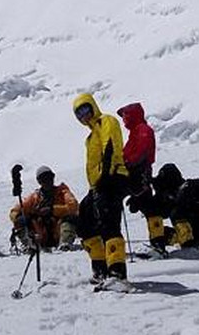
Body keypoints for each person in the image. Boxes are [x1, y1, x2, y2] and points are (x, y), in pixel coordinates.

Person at [72, 93, 131, 290]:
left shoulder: (106, 121)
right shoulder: (89, 137)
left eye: (85, 109)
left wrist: (106, 174)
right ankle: (101, 270)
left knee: (109, 225)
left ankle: (118, 274)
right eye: (78, 113)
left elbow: (111, 146)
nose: (83, 115)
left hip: (113, 177)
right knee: (84, 224)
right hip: (98, 184)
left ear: (93, 107)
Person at [117, 102, 167, 253]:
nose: (124, 119)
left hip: (138, 173)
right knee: (147, 206)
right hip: (135, 173)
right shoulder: (136, 131)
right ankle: (160, 240)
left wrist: (126, 163)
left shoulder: (142, 130)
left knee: (148, 207)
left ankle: (159, 243)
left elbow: (141, 153)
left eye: (125, 115)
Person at [9, 165, 80, 252]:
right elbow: (15, 211)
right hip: (40, 234)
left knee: (70, 218)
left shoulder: (62, 192)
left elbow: (74, 206)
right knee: (21, 219)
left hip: (58, 231)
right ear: (39, 181)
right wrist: (19, 217)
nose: (47, 181)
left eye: (49, 177)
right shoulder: (35, 197)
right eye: (44, 179)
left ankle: (65, 243)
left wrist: (52, 210)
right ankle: (28, 244)